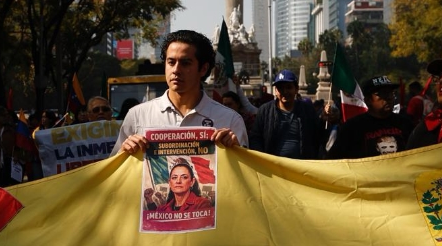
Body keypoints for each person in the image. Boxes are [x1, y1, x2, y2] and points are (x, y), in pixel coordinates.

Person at [113, 30, 247, 155]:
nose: (176, 70)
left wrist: (236, 152)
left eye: (185, 63)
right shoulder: (137, 116)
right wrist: (123, 152)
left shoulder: (230, 120)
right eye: (171, 62)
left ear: (203, 69)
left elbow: (244, 171)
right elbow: (113, 168)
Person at [329, 75, 413, 159]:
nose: (388, 98)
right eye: (382, 94)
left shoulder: (405, 123)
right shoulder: (352, 127)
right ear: (368, 100)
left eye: (391, 93)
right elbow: (334, 159)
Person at [249, 69, 324, 159]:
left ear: (296, 89)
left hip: (301, 165)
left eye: (288, 87)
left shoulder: (307, 110)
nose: (285, 92)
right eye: (280, 88)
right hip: (272, 165)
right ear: (276, 91)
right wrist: (262, 159)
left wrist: (326, 120)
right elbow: (255, 138)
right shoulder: (265, 111)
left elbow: (319, 136)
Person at [144, 158, 212, 212]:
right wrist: (149, 200)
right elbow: (155, 218)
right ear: (170, 182)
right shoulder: (164, 208)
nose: (178, 181)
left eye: (184, 177)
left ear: (192, 182)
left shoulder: (202, 204)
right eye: (174, 177)